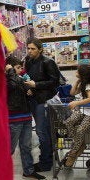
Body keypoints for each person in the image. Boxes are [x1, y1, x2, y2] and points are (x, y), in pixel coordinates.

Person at [5, 55, 46, 180]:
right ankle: (2, 171)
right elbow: (11, 87)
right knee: (9, 148)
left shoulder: (20, 78)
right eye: (17, 68)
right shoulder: (6, 79)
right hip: (14, 119)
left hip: (26, 117)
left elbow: (23, 92)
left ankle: (28, 171)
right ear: (9, 68)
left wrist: (29, 92)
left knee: (26, 146)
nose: (20, 70)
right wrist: (10, 72)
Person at [24, 39, 61, 172]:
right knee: (44, 130)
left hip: (44, 100)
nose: (29, 51)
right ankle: (49, 155)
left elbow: (55, 82)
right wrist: (29, 88)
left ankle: (45, 163)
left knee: (41, 131)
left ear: (40, 49)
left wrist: (36, 85)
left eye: (33, 48)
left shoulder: (48, 62)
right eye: (28, 48)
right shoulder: (28, 61)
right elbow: (28, 78)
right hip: (34, 99)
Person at [63, 64, 90, 167]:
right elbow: (72, 93)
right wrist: (77, 81)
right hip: (83, 110)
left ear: (83, 74)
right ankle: (80, 144)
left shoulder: (89, 86)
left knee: (80, 130)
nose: (76, 72)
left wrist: (76, 103)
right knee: (68, 122)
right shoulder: (83, 83)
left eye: (78, 71)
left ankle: (73, 153)